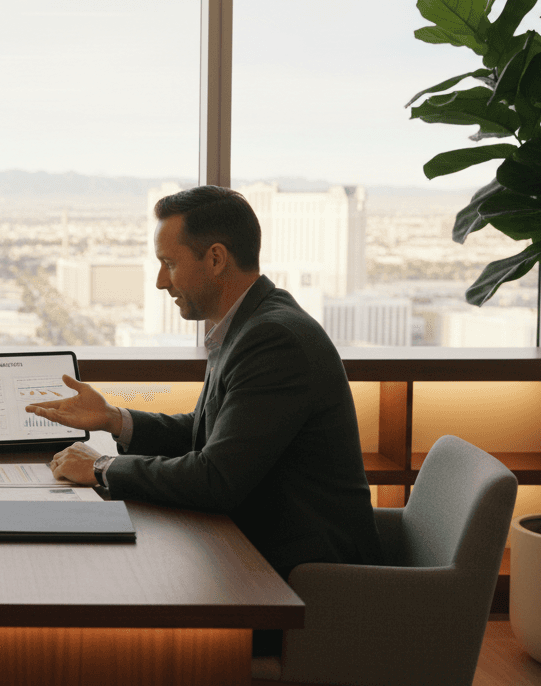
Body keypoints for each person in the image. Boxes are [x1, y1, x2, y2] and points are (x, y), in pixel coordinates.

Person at [27, 186, 383, 584]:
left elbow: (216, 479)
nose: (162, 281)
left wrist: (101, 467)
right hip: (253, 550)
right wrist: (114, 419)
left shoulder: (273, 339)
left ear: (215, 258)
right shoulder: (249, 323)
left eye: (169, 264)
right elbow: (207, 434)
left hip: (302, 579)